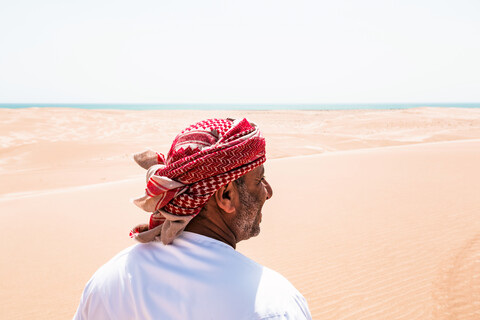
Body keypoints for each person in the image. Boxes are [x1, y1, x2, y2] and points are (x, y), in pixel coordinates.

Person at [73, 118, 312, 319]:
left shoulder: (109, 281)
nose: (268, 192)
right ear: (226, 195)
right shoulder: (275, 303)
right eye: (259, 181)